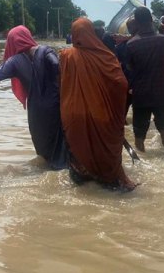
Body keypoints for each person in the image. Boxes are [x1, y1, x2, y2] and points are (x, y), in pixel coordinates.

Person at [58, 18, 136, 191]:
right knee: (106, 148)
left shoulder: (65, 55)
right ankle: (110, 179)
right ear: (92, 33)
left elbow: (61, 83)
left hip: (72, 113)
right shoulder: (106, 56)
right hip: (101, 113)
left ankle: (83, 179)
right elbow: (121, 83)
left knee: (78, 150)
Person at [0, 26, 68, 170]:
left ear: (12, 42)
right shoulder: (45, 50)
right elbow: (57, 66)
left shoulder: (14, 61)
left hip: (35, 110)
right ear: (28, 36)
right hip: (56, 106)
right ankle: (63, 169)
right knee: (61, 143)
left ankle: (47, 168)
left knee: (43, 148)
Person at [127, 6, 164, 151]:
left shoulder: (131, 45)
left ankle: (143, 163)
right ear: (151, 20)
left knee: (139, 135)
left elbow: (130, 69)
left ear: (136, 22)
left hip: (141, 95)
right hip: (160, 93)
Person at [115, 17, 139, 115]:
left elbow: (117, 66)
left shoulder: (121, 46)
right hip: (139, 83)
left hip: (127, 82)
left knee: (124, 109)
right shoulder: (144, 43)